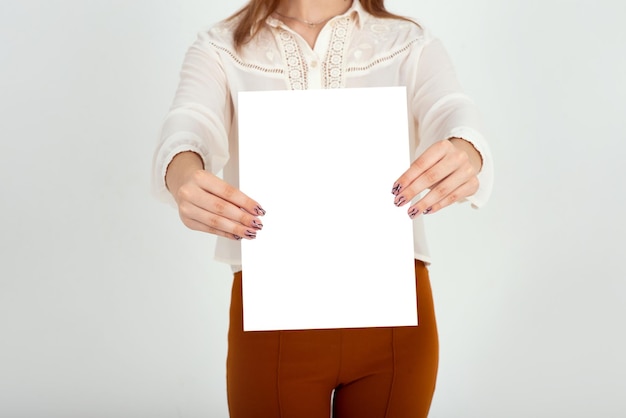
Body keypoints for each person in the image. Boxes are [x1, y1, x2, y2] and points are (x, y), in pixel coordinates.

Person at [153, 0, 493, 416]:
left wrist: (466, 148)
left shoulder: (409, 43)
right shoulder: (220, 47)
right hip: (271, 314)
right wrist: (182, 172)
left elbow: (451, 108)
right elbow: (191, 122)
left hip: (395, 314)